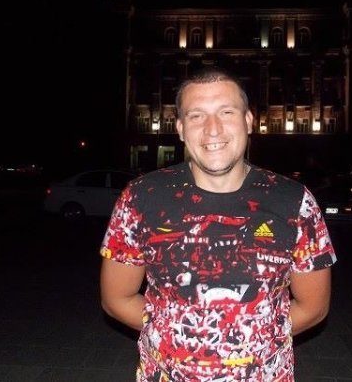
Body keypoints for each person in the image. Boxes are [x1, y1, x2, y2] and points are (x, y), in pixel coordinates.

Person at [100, 67, 337, 381]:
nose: (213, 129)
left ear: (248, 121)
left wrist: (253, 336)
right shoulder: (141, 197)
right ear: (181, 129)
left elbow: (313, 307)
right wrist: (181, 334)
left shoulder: (295, 201)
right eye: (197, 116)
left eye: (226, 112)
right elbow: (116, 299)